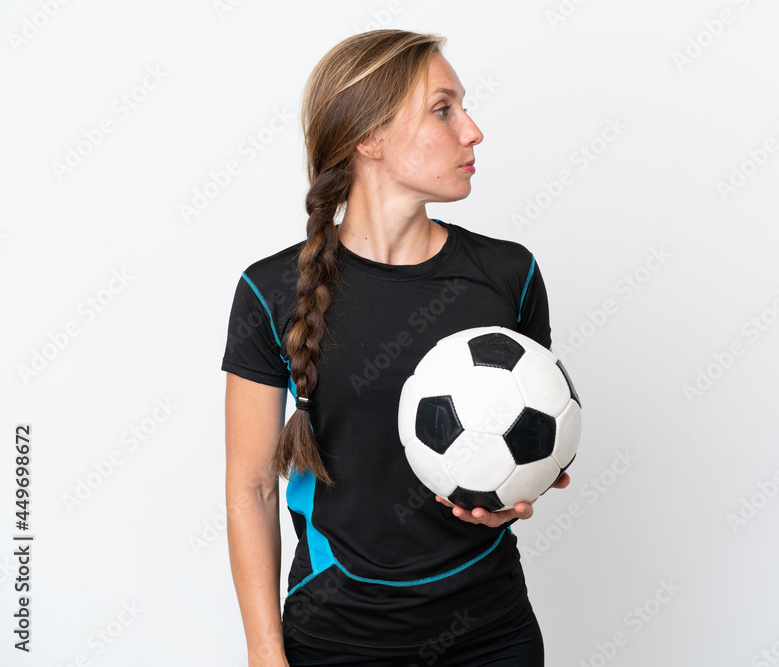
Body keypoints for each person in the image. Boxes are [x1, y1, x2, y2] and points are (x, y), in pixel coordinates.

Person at [221, 29, 570, 667]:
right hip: (335, 638)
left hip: (489, 633)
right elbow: (251, 489)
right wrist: (265, 654)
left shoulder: (509, 274)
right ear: (369, 137)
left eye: (463, 106)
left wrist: (527, 490)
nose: (473, 131)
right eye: (444, 109)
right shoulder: (269, 290)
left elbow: (533, 430)